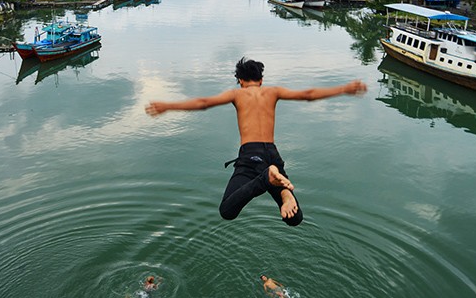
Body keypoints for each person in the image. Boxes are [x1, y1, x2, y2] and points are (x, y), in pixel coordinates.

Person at [145, 57, 367, 226]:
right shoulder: (273, 91)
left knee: (227, 211)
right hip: (272, 154)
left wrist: (168, 106)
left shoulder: (237, 94)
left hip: (250, 156)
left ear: (240, 80)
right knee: (294, 219)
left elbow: (203, 102)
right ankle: (283, 190)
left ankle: (268, 179)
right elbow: (307, 94)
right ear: (261, 80)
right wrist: (344, 89)